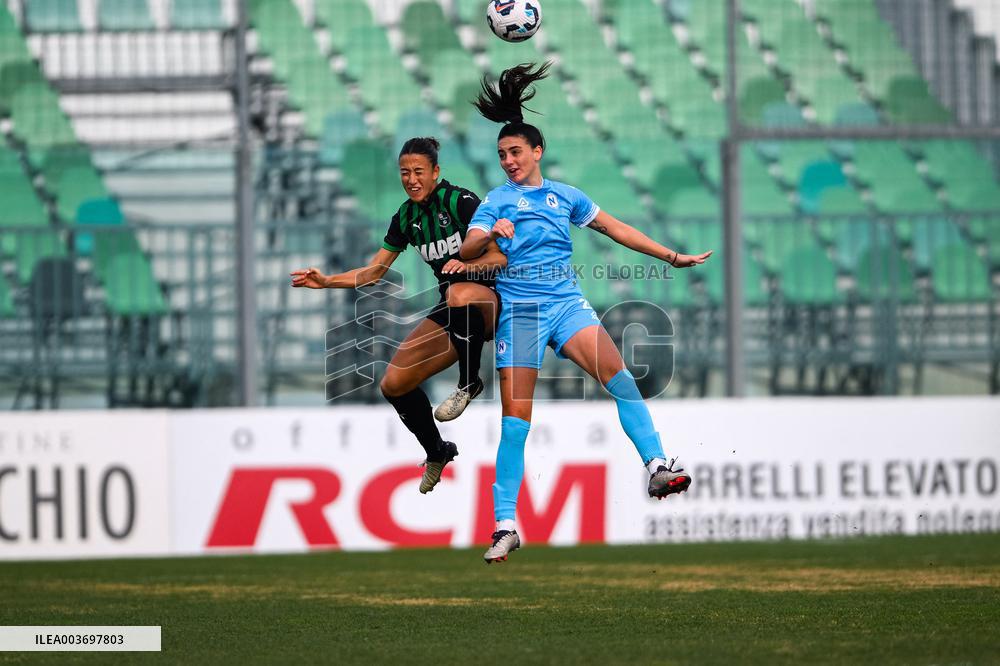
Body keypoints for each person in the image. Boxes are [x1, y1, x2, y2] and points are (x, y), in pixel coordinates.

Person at [460, 63, 713, 563]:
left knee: (620, 379)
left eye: (515, 152)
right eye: (501, 154)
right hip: (523, 315)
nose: (508, 161)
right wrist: (491, 233)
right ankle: (505, 524)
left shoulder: (565, 197)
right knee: (516, 423)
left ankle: (657, 465)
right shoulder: (495, 201)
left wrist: (670, 256)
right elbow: (469, 251)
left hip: (566, 304)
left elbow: (617, 228)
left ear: (537, 151)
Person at [291, 137, 505, 494]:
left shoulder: (461, 202)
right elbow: (374, 271)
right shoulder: (406, 217)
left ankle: (469, 382)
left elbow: (500, 258)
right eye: (404, 172)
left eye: (419, 171)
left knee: (457, 291)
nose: (411, 179)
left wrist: (462, 269)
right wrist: (327, 281)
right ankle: (437, 450)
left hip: (495, 298)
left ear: (436, 172)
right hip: (455, 303)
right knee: (394, 384)